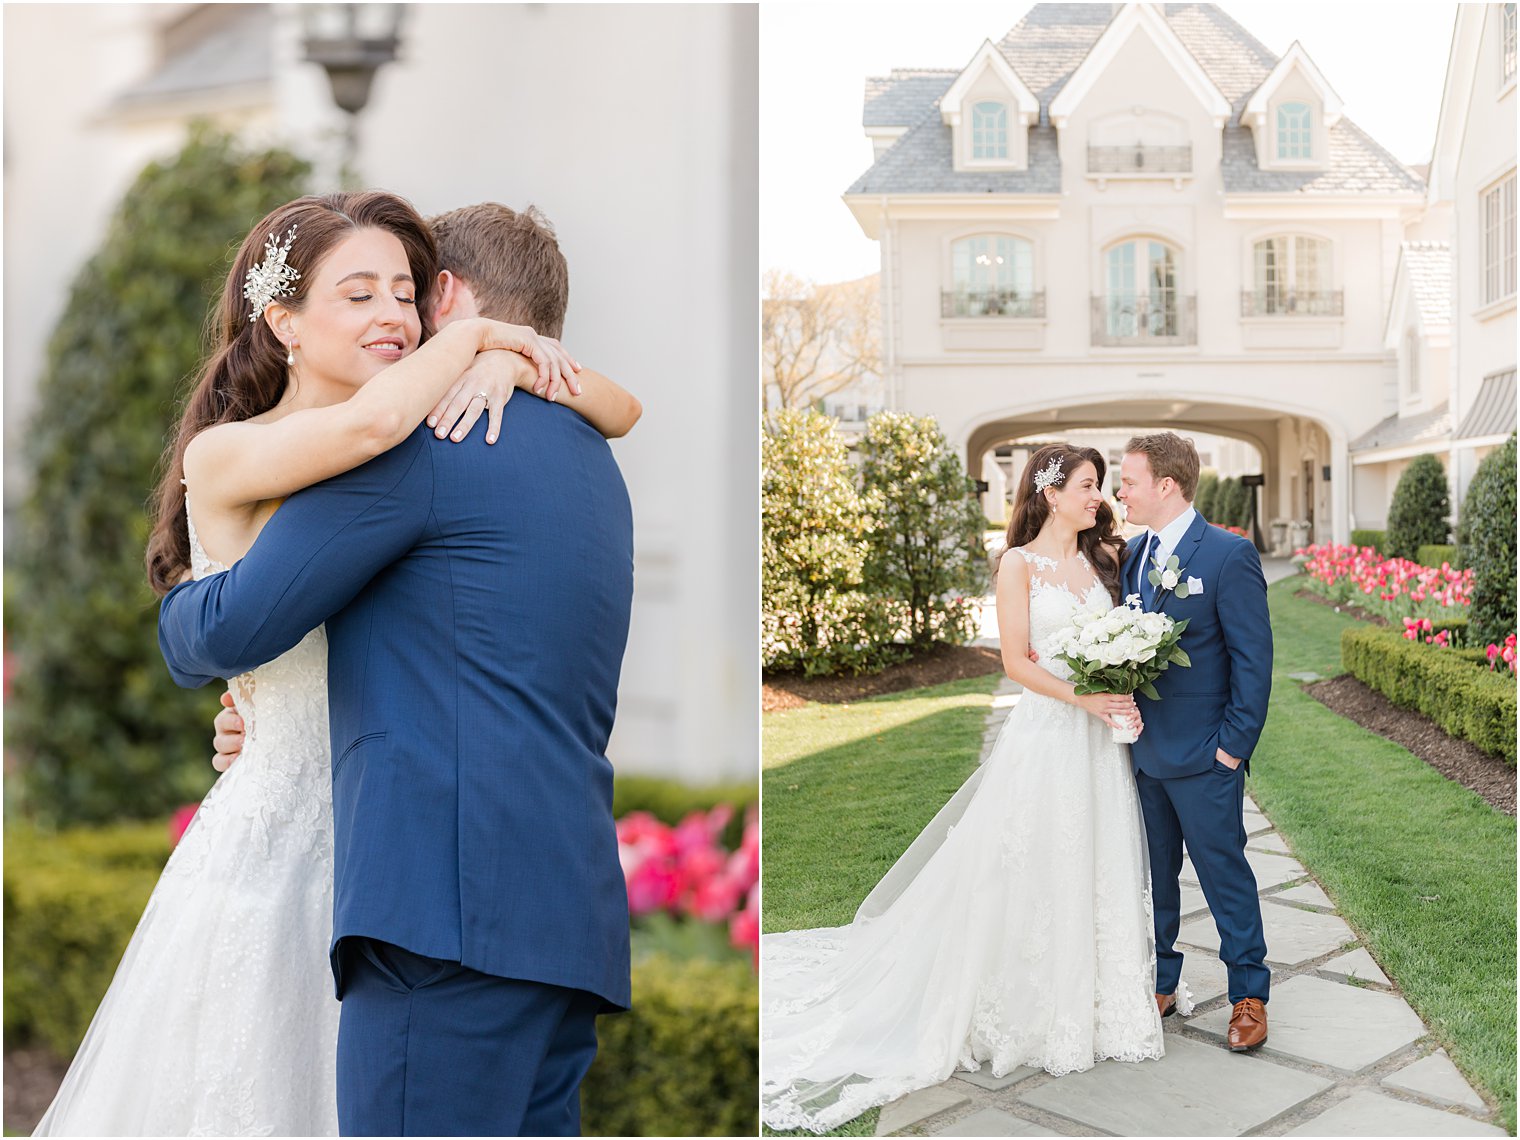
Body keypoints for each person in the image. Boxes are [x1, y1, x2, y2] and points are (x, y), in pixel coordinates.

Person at [37, 190, 637, 1137]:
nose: (394, 318)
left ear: (445, 296)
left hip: (429, 909)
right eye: (358, 295)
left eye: (403, 293)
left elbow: (230, 627)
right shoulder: (584, 449)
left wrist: (188, 621)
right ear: (282, 318)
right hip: (553, 915)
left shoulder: (419, 445)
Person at [761, 444, 1169, 1136]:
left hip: (1101, 746)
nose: (1097, 498)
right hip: (1051, 735)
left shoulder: (1109, 560)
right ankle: (1033, 1005)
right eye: (1087, 486)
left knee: (1096, 861)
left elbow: (1126, 632)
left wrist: (1119, 689)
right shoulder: (1018, 564)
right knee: (1033, 864)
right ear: (1049, 492)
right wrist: (1086, 698)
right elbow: (1014, 661)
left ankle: (1103, 999)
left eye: (1100, 487)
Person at [1116, 431, 1273, 1052]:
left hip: (1207, 757)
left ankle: (1248, 994)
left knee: (1223, 874)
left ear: (1166, 485)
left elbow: (1253, 665)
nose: (1118, 492)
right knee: (1154, 875)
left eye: (1128, 482)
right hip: (1143, 754)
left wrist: (1230, 750)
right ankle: (1162, 980)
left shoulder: (1228, 556)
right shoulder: (1133, 554)